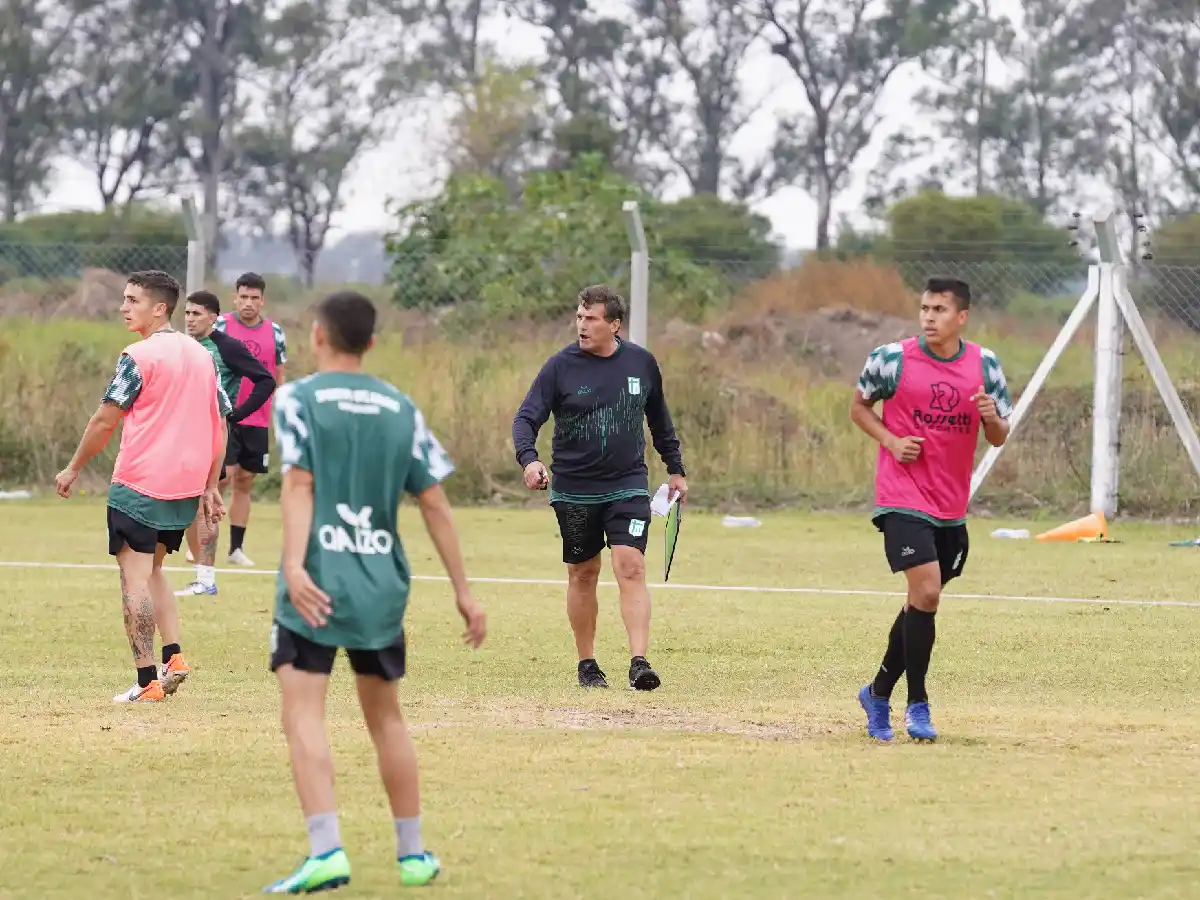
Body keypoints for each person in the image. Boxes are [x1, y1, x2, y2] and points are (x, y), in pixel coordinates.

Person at [263, 290, 486, 894]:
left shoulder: (296, 399)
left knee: (303, 714)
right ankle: (413, 857)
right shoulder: (400, 407)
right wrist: (464, 591)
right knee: (386, 720)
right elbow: (434, 500)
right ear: (372, 343)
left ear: (316, 335)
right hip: (381, 584)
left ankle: (326, 851)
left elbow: (300, 482)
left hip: (316, 581)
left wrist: (295, 564)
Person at [55, 270, 231, 703]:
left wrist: (74, 467)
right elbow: (220, 420)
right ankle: (174, 657)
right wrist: (210, 484)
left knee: (132, 578)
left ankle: (146, 680)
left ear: (159, 308)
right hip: (184, 487)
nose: (123, 307)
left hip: (140, 483)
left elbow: (104, 419)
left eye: (132, 300)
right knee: (153, 570)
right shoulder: (202, 355)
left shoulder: (138, 356)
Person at [850, 276, 1013, 743]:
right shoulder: (892, 358)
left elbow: (999, 436)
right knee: (927, 591)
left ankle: (877, 692)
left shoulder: (986, 365)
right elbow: (859, 407)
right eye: (925, 309)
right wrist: (891, 440)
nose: (929, 317)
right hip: (902, 496)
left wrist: (990, 416)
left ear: (962, 316)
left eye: (940, 310)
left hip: (950, 504)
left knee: (921, 601)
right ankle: (917, 705)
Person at [511, 284, 686, 692]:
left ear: (614, 324)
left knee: (631, 565)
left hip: (628, 485)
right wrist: (529, 459)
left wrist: (676, 469)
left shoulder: (642, 364)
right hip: (573, 489)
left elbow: (660, 422)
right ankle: (587, 664)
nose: (582, 325)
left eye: (590, 319)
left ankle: (639, 662)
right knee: (583, 573)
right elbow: (525, 419)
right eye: (579, 317)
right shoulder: (560, 367)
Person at [177, 289, 276, 596]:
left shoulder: (227, 347)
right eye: (188, 313)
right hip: (180, 434)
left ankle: (206, 578)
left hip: (211, 435)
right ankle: (199, 567)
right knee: (184, 500)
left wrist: (235, 415)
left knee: (206, 499)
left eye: (197, 314)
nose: (190, 319)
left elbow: (266, 380)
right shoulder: (181, 345)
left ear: (213, 318)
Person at [214, 271, 287, 567]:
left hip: (258, 419)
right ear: (235, 298)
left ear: (262, 301)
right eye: (243, 297)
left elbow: (277, 374)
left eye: (254, 298)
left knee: (245, 481)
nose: (248, 303)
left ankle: (236, 550)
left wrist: (279, 407)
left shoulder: (276, 332)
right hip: (226, 417)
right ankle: (202, 543)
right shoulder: (220, 327)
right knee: (222, 478)